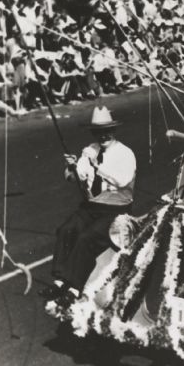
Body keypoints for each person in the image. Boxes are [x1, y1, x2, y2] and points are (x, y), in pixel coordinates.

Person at [40, 106, 136, 303]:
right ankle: (59, 282)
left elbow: (122, 181)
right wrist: (70, 167)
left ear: (114, 130)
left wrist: (97, 166)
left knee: (86, 238)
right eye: (99, 132)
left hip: (116, 210)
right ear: (94, 133)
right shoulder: (90, 150)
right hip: (92, 207)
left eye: (107, 131)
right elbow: (74, 177)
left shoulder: (126, 153)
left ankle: (74, 289)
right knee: (66, 230)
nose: (103, 136)